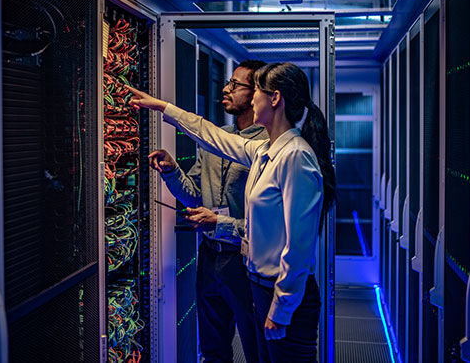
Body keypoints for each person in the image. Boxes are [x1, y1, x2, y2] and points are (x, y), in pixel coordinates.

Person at [128, 62, 336, 363]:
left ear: (274, 98)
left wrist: (281, 310)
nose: (252, 100)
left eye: (257, 93)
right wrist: (162, 107)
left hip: (281, 294)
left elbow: (300, 247)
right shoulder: (265, 152)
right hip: (261, 286)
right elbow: (211, 136)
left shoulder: (295, 157)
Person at [149, 60, 268, 363]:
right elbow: (193, 197)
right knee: (213, 350)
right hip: (210, 257)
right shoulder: (214, 141)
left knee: (258, 348)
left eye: (236, 84)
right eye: (228, 82)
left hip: (245, 261)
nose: (226, 89)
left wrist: (220, 222)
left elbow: (270, 226)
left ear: (256, 94)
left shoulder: (268, 146)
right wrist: (172, 171)